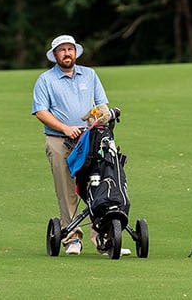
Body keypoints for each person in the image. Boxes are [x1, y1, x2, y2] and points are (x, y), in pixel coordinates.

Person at [32, 34, 119, 255]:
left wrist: (103, 116)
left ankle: (103, 238)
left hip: (88, 138)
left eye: (70, 49)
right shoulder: (46, 80)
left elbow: (101, 105)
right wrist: (64, 128)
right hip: (59, 139)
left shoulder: (89, 75)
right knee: (67, 189)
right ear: (55, 55)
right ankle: (72, 238)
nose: (67, 53)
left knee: (97, 185)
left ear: (75, 52)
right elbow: (40, 111)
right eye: (62, 50)